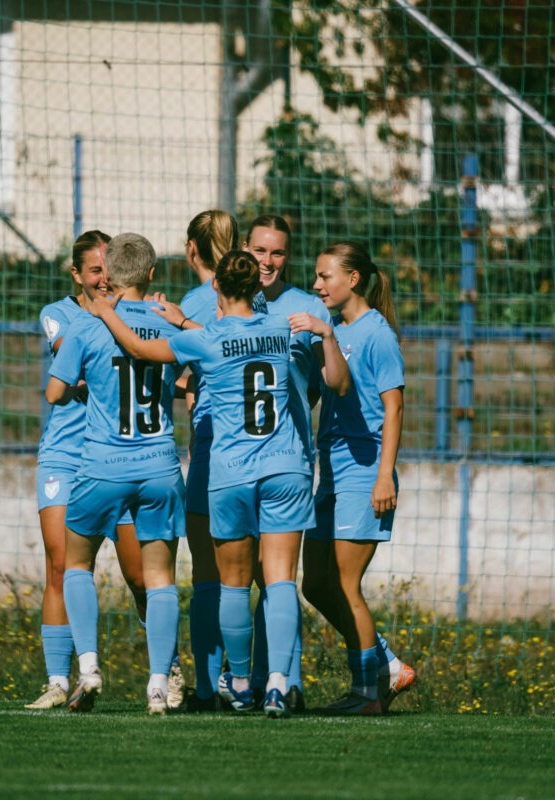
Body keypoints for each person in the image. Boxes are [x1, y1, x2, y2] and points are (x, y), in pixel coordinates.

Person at [90, 249, 349, 718]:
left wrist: (109, 313)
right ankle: (277, 685)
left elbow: (141, 350)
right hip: (286, 467)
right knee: (281, 582)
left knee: (232, 585)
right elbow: (319, 374)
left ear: (216, 288)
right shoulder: (281, 329)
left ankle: (242, 683)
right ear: (256, 288)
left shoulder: (205, 339)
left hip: (230, 473)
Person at [45, 233, 185, 715]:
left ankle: (88, 668)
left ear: (110, 274)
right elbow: (191, 375)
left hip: (104, 463)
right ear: (151, 274)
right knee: (160, 579)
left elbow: (54, 394)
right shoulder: (170, 322)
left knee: (77, 563)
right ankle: (157, 687)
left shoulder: (85, 325)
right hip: (160, 465)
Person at [289, 241, 417, 715]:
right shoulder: (336, 330)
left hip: (365, 473)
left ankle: (369, 694)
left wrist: (385, 476)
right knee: (315, 585)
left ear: (354, 280)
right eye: (317, 276)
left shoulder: (377, 334)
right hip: (333, 472)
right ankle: (385, 665)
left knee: (346, 585)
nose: (317, 284)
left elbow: (394, 406)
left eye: (326, 276)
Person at [25, 231, 151, 711]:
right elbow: (69, 368)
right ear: (76, 274)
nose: (103, 279)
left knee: (141, 575)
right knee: (60, 566)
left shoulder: (135, 317)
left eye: (109, 269)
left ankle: (169, 669)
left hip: (119, 457)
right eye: (94, 270)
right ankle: (61, 680)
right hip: (64, 456)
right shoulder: (60, 315)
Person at [240, 214, 334, 713]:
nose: (268, 262)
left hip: (285, 458)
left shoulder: (307, 308)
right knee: (247, 574)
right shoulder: (226, 300)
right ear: (244, 249)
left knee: (277, 575)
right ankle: (250, 681)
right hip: (232, 461)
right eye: (260, 251)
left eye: (277, 253)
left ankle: (283, 682)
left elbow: (322, 383)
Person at [173, 209, 240, 710]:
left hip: (211, 445)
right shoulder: (252, 299)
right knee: (262, 576)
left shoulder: (193, 302)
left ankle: (203, 685)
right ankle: (265, 679)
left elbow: (169, 372)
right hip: (263, 451)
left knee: (205, 575)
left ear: (191, 250)